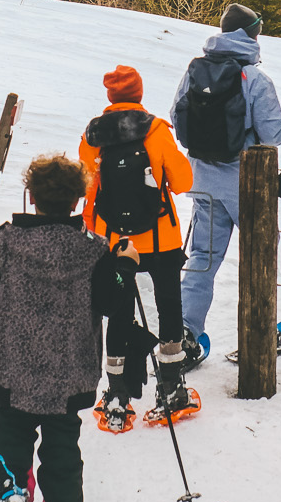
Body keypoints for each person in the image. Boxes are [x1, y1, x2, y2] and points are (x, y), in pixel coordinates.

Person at [0, 152, 138, 502]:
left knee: (10, 437)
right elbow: (113, 302)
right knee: (61, 449)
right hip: (69, 371)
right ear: (78, 201)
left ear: (31, 196)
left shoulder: (6, 242)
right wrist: (123, 267)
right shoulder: (93, 251)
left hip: (11, 367)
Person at [172, 3, 281, 362]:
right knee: (259, 255)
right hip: (246, 185)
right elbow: (272, 132)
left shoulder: (195, 71)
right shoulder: (254, 79)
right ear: (252, 35)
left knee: (202, 258)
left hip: (202, 180)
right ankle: (259, 335)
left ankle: (186, 335)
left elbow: (177, 117)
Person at [79, 63, 195, 431]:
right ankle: (172, 386)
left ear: (111, 96)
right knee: (169, 306)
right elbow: (182, 181)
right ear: (139, 94)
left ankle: (117, 393)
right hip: (161, 238)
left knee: (119, 310)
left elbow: (86, 185)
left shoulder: (93, 135)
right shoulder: (156, 131)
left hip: (115, 240)